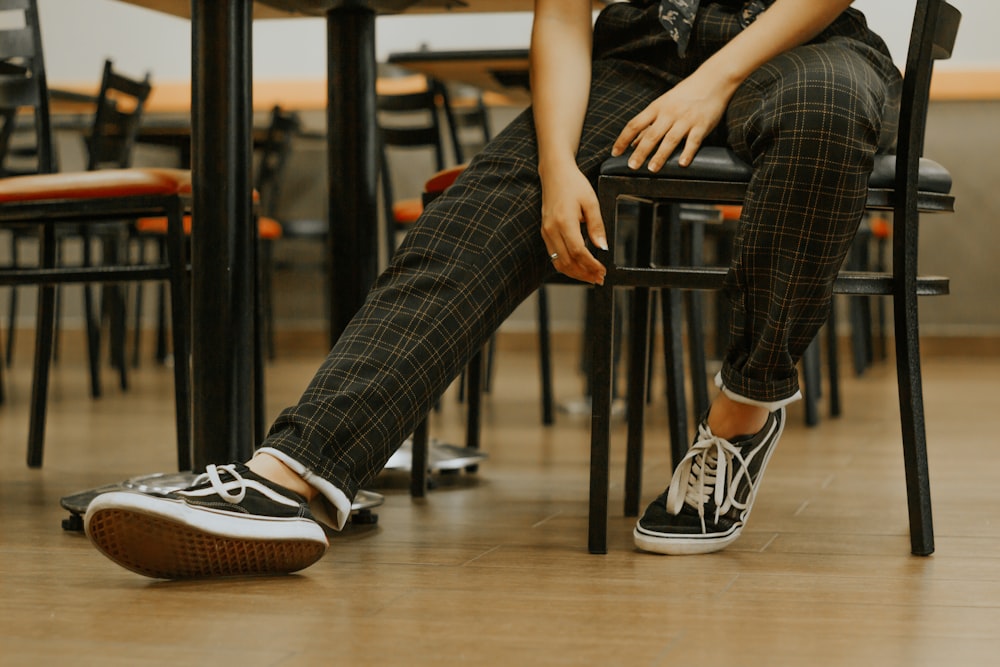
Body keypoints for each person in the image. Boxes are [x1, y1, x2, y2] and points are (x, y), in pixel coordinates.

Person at [84, 0, 902, 578]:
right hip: (643, 54)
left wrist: (715, 80)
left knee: (824, 111)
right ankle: (292, 475)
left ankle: (739, 419)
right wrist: (553, 169)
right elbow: (561, 15)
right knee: (481, 211)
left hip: (809, 42)